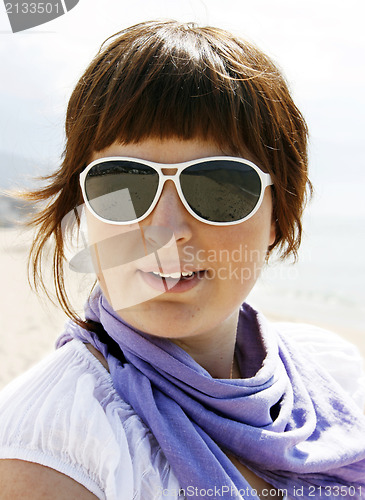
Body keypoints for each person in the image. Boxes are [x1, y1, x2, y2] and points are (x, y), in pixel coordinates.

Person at [0, 19, 364, 500]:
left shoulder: (334, 371)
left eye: (219, 185)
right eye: (124, 185)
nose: (166, 231)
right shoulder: (54, 445)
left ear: (277, 215)